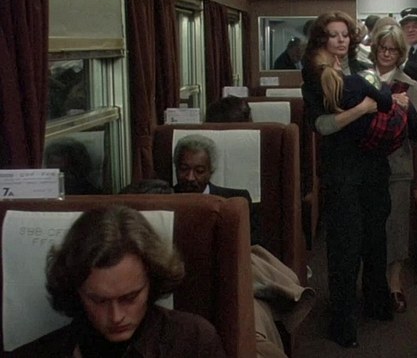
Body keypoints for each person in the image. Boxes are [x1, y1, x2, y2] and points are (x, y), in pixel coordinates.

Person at [17, 204, 226, 357]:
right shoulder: (38, 353)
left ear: (152, 282)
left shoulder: (193, 341)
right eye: (99, 300)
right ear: (76, 291)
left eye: (130, 298)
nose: (116, 317)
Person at [300, 10, 393, 348]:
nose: (341, 40)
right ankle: (343, 320)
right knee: (345, 246)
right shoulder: (315, 75)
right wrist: (361, 109)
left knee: (375, 239)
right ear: (322, 39)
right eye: (333, 34)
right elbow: (322, 125)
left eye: (345, 34)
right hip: (341, 169)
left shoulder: (364, 66)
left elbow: (383, 103)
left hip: (374, 164)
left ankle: (376, 302)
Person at [368, 22, 417, 313]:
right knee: (369, 225)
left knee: (397, 224)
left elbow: (415, 129)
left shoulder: (409, 85)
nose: (387, 54)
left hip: (397, 163)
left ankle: (395, 282)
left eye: (393, 50)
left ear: (400, 54)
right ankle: (371, 281)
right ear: (375, 49)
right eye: (382, 48)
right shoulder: (361, 79)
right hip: (365, 161)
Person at [310, 47, 417, 156]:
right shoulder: (355, 80)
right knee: (405, 104)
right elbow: (385, 102)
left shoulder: (322, 93)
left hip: (357, 140)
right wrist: (383, 86)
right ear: (337, 61)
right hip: (376, 131)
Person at [173, 134, 260, 246]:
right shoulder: (163, 199)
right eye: (184, 169)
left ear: (211, 171)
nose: (190, 178)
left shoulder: (234, 201)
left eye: (199, 171)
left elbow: (251, 245)